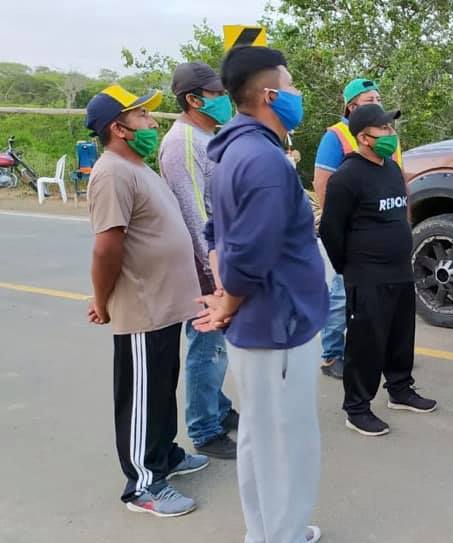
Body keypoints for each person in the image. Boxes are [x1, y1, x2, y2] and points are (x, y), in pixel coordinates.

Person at [194, 45, 327, 543]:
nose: (297, 93)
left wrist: (225, 291)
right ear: (270, 95)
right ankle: (283, 535)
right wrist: (229, 299)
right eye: (291, 85)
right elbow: (252, 249)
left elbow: (216, 233)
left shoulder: (232, 151)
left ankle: (267, 532)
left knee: (260, 437)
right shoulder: (265, 161)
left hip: (261, 320)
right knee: (286, 443)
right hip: (279, 323)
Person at [84, 84, 208, 517]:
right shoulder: (112, 173)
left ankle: (164, 455)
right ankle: (142, 485)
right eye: (142, 116)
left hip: (165, 306)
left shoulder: (136, 167)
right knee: (141, 395)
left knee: (160, 388)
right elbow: (107, 247)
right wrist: (102, 300)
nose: (153, 122)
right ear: (118, 128)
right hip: (142, 307)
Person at [320, 104, 436, 437]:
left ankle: (400, 389)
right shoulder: (347, 177)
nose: (391, 134)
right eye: (384, 129)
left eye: (391, 127)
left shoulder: (390, 169)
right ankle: (357, 409)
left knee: (401, 335)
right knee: (366, 344)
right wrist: (349, 268)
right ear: (364, 137)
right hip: (366, 275)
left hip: (399, 270)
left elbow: (402, 211)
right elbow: (330, 230)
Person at [158, 61, 238, 460]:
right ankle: (205, 428)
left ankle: (218, 409)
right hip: (204, 265)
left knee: (216, 346)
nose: (224, 99)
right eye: (217, 94)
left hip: (219, 258)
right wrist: (213, 272)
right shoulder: (183, 142)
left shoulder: (208, 136)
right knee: (207, 346)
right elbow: (193, 213)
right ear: (193, 99)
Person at [312, 78, 402, 380]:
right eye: (369, 99)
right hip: (355, 234)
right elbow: (323, 184)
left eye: (378, 97)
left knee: (377, 301)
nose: (377, 102)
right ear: (351, 107)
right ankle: (332, 354)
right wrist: (339, 226)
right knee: (341, 295)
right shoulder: (336, 136)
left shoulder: (387, 134)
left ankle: (376, 352)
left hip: (383, 232)